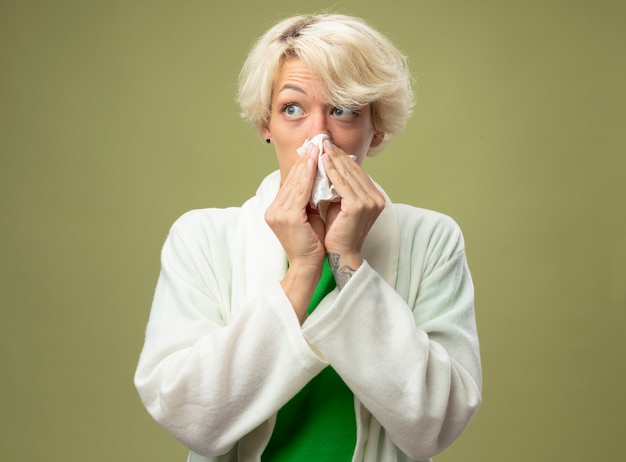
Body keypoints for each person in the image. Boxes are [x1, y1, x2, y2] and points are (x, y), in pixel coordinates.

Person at [135, 13, 481, 462]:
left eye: (342, 110)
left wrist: (347, 261)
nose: (319, 136)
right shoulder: (202, 238)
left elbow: (436, 424)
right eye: (292, 109)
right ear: (266, 124)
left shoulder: (432, 240)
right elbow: (189, 416)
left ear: (375, 131)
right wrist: (302, 271)